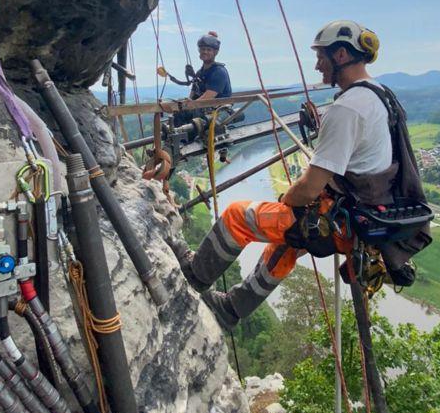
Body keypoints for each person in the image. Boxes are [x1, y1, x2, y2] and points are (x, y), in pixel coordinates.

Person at [173, 20, 420, 330]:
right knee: (287, 243)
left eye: (321, 57)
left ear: (340, 55)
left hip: (340, 221)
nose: (317, 66)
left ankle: (195, 276)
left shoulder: (348, 108)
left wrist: (288, 199)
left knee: (238, 216)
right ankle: (232, 308)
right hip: (365, 222)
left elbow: (308, 188)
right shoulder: (381, 95)